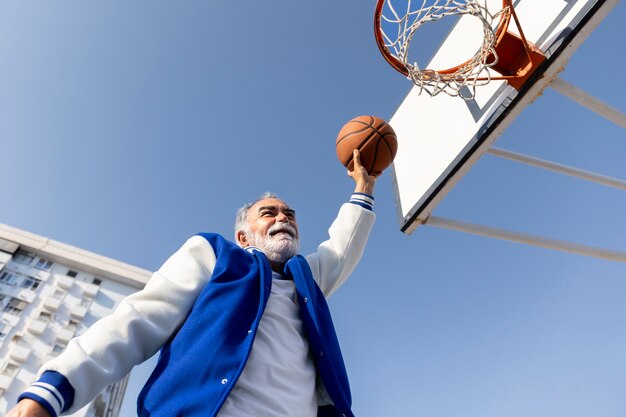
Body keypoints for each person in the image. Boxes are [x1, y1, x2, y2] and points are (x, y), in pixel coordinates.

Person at [8, 150, 377, 417]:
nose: (284, 218)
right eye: (269, 213)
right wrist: (53, 390)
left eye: (290, 214)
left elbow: (342, 248)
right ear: (243, 236)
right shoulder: (216, 255)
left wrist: (364, 187)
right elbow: (138, 320)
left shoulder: (306, 281)